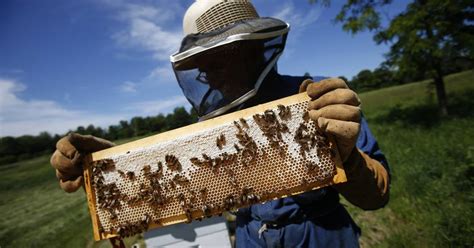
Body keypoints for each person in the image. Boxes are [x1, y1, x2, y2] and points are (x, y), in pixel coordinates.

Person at [50, 0, 390, 247]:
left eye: (217, 61)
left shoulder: (317, 96)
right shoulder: (215, 124)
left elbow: (376, 197)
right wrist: (109, 166)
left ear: (251, 51)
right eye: (202, 66)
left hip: (321, 235)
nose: (208, 75)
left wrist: (346, 156)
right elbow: (175, 180)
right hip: (249, 238)